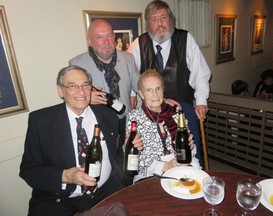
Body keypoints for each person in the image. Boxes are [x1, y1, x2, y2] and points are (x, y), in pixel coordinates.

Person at [19, 65, 142, 216]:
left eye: (85, 85)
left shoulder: (108, 115)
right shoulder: (41, 121)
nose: (81, 92)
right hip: (60, 199)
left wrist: (127, 148)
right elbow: (28, 170)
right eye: (73, 86)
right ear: (60, 90)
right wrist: (66, 176)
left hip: (106, 192)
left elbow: (118, 161)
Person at [128, 0, 211, 167]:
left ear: (171, 19)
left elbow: (200, 73)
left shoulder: (185, 39)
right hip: (151, 111)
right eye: (154, 19)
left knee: (190, 151)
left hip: (182, 108)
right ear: (148, 24)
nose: (159, 23)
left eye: (163, 17)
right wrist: (132, 93)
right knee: (155, 152)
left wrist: (201, 101)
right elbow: (131, 72)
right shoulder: (138, 44)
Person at [69, 19, 139, 144]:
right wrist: (87, 97)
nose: (106, 42)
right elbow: (69, 98)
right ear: (90, 42)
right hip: (98, 125)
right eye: (99, 37)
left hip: (125, 122)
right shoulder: (76, 65)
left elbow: (141, 86)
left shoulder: (128, 59)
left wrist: (162, 98)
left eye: (109, 36)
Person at [125, 69, 200, 183]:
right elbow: (133, 158)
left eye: (158, 89)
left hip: (180, 163)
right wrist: (165, 166)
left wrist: (189, 146)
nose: (155, 94)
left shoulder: (176, 112)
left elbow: (191, 151)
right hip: (150, 172)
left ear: (163, 90)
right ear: (141, 94)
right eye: (149, 90)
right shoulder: (134, 118)